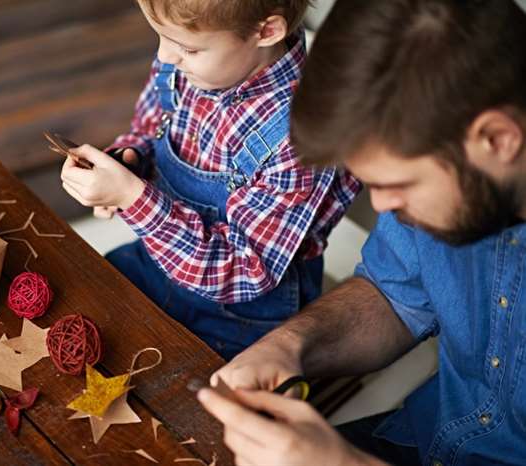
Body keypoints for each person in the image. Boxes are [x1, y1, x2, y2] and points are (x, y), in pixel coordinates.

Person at [197, 0, 526, 464]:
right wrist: (287, 348)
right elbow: (392, 295)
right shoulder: (455, 179)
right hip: (416, 441)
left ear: (498, 139)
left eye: (399, 184)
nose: (381, 205)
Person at [60, 0, 360, 360]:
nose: (165, 56)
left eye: (187, 48)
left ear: (265, 32)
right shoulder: (188, 65)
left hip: (243, 319)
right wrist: (125, 164)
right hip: (157, 263)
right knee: (72, 302)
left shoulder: (303, 135)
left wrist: (133, 200)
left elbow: (248, 269)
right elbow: (149, 129)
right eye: (159, 36)